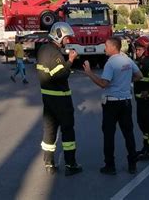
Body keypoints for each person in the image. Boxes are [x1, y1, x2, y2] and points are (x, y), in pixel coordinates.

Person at [83, 37, 143, 175]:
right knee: (129, 134)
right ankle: (132, 164)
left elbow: (104, 83)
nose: (104, 48)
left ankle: (110, 166)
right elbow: (139, 75)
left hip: (112, 103)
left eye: (106, 45)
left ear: (113, 47)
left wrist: (89, 73)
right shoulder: (127, 60)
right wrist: (126, 82)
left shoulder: (110, 63)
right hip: (126, 101)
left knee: (109, 135)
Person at [36, 22, 83, 176]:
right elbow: (60, 74)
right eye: (66, 38)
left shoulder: (43, 49)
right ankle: (70, 164)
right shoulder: (55, 54)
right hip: (61, 100)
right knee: (68, 131)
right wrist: (70, 60)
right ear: (59, 35)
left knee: (49, 131)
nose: (68, 41)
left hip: (47, 99)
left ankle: (49, 163)